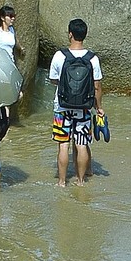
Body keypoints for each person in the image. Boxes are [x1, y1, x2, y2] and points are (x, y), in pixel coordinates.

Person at [49, 18, 103, 187]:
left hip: (62, 107)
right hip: (84, 108)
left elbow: (53, 80)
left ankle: (62, 182)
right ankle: (80, 181)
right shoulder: (92, 58)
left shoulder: (60, 55)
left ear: (70, 34)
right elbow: (97, 86)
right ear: (84, 36)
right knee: (81, 144)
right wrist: (99, 107)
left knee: (63, 145)